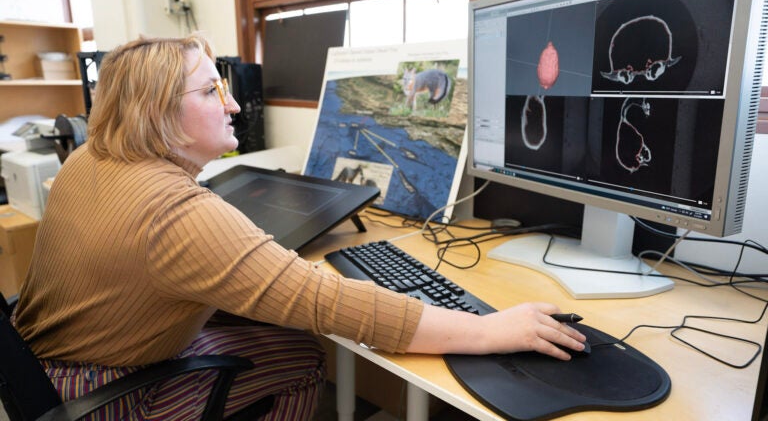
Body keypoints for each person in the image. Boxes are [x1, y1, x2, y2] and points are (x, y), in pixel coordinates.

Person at [12, 34, 585, 420]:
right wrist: (489, 331)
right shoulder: (173, 213)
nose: (234, 104)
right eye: (212, 90)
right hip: (97, 394)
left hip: (48, 357)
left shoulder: (93, 158)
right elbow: (331, 303)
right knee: (304, 358)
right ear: (158, 111)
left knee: (278, 330)